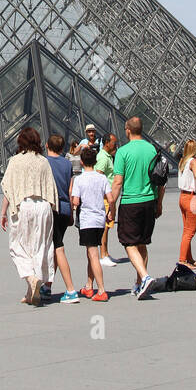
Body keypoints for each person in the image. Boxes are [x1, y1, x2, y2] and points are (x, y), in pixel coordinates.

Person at [0, 127, 58, 306]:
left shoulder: (15, 161)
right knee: (41, 247)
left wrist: (3, 213)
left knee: (17, 247)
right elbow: (51, 188)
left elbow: (8, 189)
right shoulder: (43, 161)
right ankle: (32, 290)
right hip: (43, 206)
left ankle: (31, 278)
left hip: (23, 206)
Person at [108, 117, 162, 301]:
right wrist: (159, 203)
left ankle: (145, 277)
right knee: (142, 243)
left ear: (128, 130)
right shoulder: (152, 149)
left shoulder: (123, 152)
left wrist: (111, 205)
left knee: (129, 243)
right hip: (150, 201)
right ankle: (140, 284)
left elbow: (117, 183)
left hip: (131, 202)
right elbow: (159, 179)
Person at [71, 146, 111, 301]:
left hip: (87, 220)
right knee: (91, 252)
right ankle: (89, 286)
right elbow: (111, 198)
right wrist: (110, 211)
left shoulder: (79, 179)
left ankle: (101, 290)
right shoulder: (102, 178)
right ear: (95, 161)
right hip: (100, 219)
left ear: (81, 162)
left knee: (93, 254)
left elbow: (75, 200)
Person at [43, 135, 77, 303]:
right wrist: (71, 212)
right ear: (63, 147)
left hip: (51, 208)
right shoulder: (67, 163)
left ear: (47, 145)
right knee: (55, 246)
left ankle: (71, 290)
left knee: (56, 248)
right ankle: (47, 286)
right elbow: (70, 191)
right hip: (64, 209)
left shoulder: (44, 163)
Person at [177, 140, 196, 268]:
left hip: (182, 196)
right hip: (191, 197)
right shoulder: (193, 161)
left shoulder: (182, 161)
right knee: (190, 231)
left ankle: (189, 258)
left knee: (186, 230)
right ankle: (182, 260)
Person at [94, 134, 119, 266]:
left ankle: (106, 253)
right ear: (107, 143)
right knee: (105, 226)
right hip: (105, 196)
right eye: (114, 142)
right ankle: (103, 255)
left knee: (107, 226)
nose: (115, 145)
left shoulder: (106, 156)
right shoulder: (103, 158)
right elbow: (99, 176)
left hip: (107, 196)